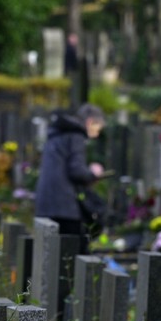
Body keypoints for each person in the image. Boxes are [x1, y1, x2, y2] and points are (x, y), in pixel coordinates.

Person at [35, 103, 105, 248]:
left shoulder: (58, 133)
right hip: (65, 206)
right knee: (72, 252)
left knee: (50, 253)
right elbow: (76, 171)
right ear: (90, 122)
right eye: (98, 127)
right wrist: (93, 173)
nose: (97, 133)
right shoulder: (76, 136)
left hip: (46, 203)